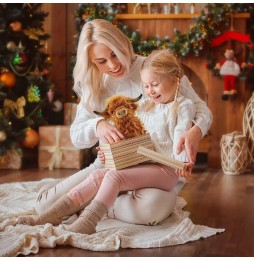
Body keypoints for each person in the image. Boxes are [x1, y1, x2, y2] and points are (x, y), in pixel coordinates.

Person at [34, 19, 212, 225]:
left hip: (152, 168)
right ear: (91, 62)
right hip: (109, 167)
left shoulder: (154, 70)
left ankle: (96, 203)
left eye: (115, 54)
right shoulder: (93, 83)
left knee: (149, 210)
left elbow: (201, 109)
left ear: (124, 44)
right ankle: (104, 199)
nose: (113, 64)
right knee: (45, 207)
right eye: (101, 61)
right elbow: (76, 138)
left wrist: (196, 131)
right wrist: (97, 126)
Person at [17, 49, 196, 234]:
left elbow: (181, 133)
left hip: (166, 169)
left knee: (114, 177)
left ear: (175, 80)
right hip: (143, 162)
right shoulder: (145, 105)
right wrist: (109, 151)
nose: (150, 91)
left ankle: (88, 221)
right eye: (146, 86)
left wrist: (182, 161)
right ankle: (48, 216)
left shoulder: (183, 106)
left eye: (155, 84)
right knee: (98, 175)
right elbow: (131, 134)